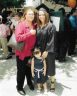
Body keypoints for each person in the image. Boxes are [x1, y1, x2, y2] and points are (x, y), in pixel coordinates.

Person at [15, 7, 37, 95]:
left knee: (29, 70)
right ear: (25, 15)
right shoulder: (21, 25)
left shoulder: (34, 25)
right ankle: (19, 87)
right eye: (29, 14)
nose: (31, 15)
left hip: (31, 53)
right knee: (21, 71)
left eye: (33, 14)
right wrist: (29, 33)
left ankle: (29, 83)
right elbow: (18, 38)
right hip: (22, 53)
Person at [36, 8, 56, 92]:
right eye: (39, 15)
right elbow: (35, 39)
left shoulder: (51, 26)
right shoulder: (38, 26)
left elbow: (52, 39)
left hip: (49, 51)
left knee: (50, 67)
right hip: (39, 51)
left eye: (43, 14)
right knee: (41, 67)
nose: (41, 16)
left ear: (46, 15)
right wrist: (37, 50)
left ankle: (52, 83)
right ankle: (42, 81)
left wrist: (47, 50)